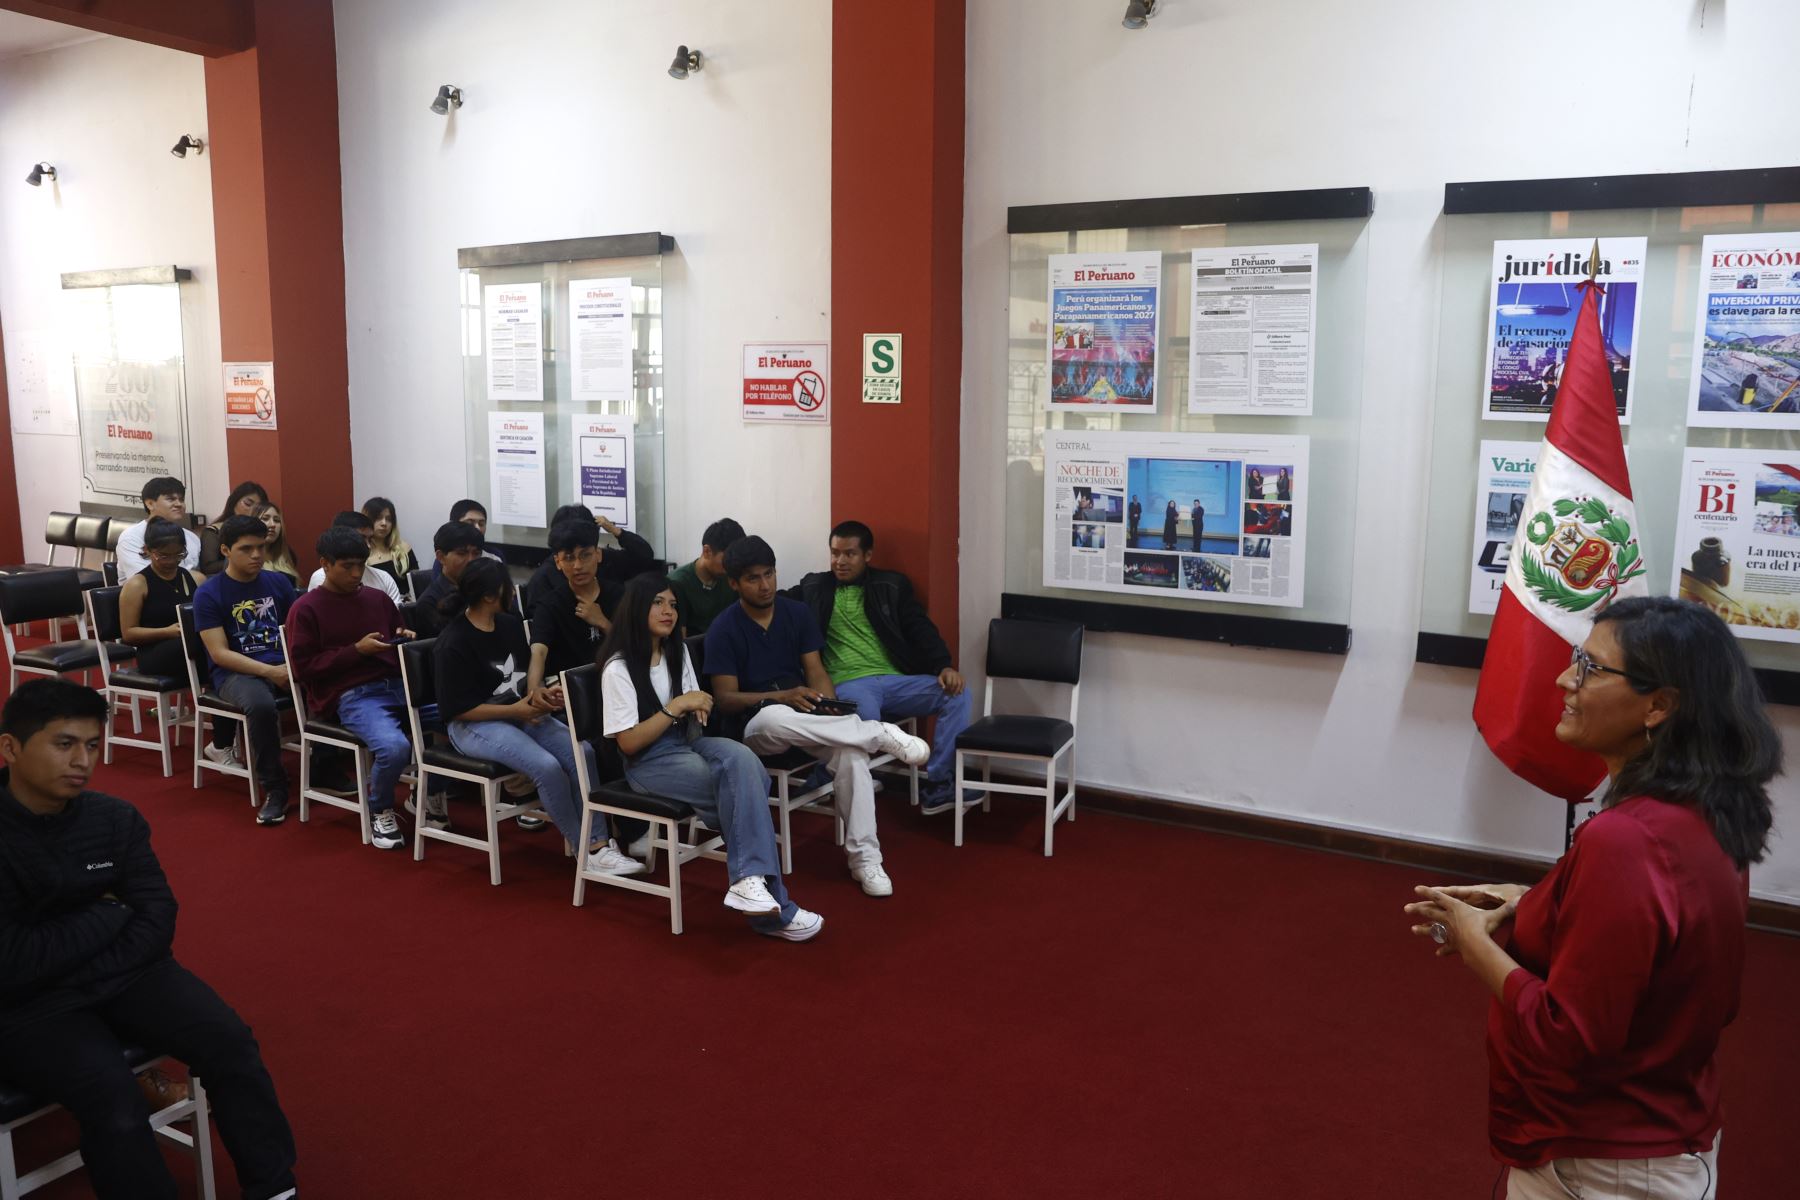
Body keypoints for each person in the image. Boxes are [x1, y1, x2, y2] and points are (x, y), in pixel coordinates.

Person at [1405, 597, 1778, 1200]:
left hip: (1600, 1166)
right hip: (1662, 1137)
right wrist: (1529, 902)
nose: (1563, 678)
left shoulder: (1624, 840)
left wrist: (1476, 945)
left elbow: (1567, 1036)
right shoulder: (1704, 811)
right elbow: (1660, 943)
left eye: (1590, 668)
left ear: (1659, 706)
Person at [0, 679, 299, 1200]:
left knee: (230, 1042)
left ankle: (274, 1187)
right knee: (113, 1098)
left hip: (126, 975)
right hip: (29, 1006)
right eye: (64, 744)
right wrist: (106, 916)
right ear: (10, 748)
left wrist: (79, 951)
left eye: (92, 745)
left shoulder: (115, 820)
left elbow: (157, 916)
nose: (82, 761)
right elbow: (11, 961)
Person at [598, 574, 822, 941]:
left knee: (745, 762)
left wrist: (698, 705)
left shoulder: (677, 650)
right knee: (744, 790)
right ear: (636, 608)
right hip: (648, 762)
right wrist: (678, 706)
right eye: (658, 603)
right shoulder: (619, 667)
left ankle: (749, 883)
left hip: (687, 742)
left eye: (672, 604)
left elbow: (693, 701)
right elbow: (628, 743)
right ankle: (773, 908)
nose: (668, 611)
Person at [705, 536, 927, 897]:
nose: (765, 585)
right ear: (734, 584)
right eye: (753, 579)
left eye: (769, 574)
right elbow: (726, 698)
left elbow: (816, 669)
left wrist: (826, 702)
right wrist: (780, 696)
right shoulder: (724, 628)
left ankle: (866, 860)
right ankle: (875, 733)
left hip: (804, 715)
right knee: (776, 716)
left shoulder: (795, 613)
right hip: (755, 728)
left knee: (851, 756)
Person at [433, 558, 643, 876]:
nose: (515, 593)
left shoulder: (507, 624)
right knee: (545, 766)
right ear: (492, 595)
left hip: (516, 712)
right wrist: (517, 710)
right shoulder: (454, 641)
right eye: (507, 587)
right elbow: (458, 709)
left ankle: (599, 842)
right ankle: (586, 849)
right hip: (473, 724)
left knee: (582, 752)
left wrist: (538, 698)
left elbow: (521, 680)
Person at [789, 520, 974, 818]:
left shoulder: (891, 585)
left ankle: (939, 784)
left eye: (849, 554)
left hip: (894, 680)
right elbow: (774, 603)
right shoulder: (814, 587)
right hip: (849, 683)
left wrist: (943, 665)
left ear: (868, 555)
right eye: (835, 553)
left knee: (958, 694)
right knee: (865, 718)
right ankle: (824, 776)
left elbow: (919, 628)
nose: (840, 561)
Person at [285, 526, 425, 849]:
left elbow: (392, 637)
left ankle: (428, 794)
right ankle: (380, 809)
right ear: (325, 564)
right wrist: (356, 651)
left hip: (394, 685)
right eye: (347, 566)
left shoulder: (377, 600)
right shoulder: (306, 609)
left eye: (361, 565)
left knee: (459, 721)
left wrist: (402, 641)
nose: (356, 573)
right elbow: (302, 669)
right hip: (348, 695)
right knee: (394, 748)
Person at [193, 515, 298, 826]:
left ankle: (323, 765)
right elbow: (219, 653)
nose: (256, 555)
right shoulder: (210, 593)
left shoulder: (278, 582)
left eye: (261, 548)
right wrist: (271, 671)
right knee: (262, 706)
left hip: (282, 663)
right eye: (246, 549)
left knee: (331, 683)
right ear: (225, 550)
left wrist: (290, 667)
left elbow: (296, 632)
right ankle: (275, 787)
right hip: (236, 673)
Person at [527, 518, 612, 692]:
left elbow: (634, 647)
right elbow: (539, 652)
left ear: (598, 554)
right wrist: (534, 689)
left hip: (614, 684)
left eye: (585, 555)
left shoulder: (619, 595)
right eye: (568, 558)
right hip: (569, 692)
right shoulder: (549, 605)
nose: (578, 566)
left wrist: (603, 622)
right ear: (558, 562)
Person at [117, 518, 200, 681]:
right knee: (196, 647)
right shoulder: (137, 585)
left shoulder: (195, 579)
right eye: (163, 556)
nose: (171, 561)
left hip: (187, 643)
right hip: (154, 652)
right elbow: (128, 633)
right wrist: (167, 632)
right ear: (147, 550)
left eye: (178, 555)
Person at [667, 517, 745, 637]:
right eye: (726, 559)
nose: (732, 565)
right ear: (707, 551)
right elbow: (679, 641)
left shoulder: (731, 578)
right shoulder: (678, 583)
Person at [305, 511, 403, 604]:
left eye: (370, 539)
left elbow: (396, 617)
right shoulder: (321, 577)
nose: (368, 545)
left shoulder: (384, 578)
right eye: (362, 538)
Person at [114, 476, 201, 577]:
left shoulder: (192, 537)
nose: (179, 504)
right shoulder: (131, 537)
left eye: (181, 499)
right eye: (170, 499)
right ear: (150, 504)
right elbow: (145, 580)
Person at [413, 521, 486, 638]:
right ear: (441, 557)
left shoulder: (486, 590)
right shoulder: (429, 603)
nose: (471, 560)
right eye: (462, 553)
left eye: (476, 553)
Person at [198, 481, 271, 575]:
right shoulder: (214, 531)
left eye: (258, 508)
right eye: (248, 504)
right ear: (234, 502)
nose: (252, 510)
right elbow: (208, 567)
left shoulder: (263, 530)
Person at [361, 496, 418, 585]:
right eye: (378, 518)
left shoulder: (404, 549)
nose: (384, 523)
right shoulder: (360, 554)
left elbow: (417, 584)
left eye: (389, 519)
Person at [254, 502, 300, 584]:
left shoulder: (288, 554)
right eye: (265, 519)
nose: (272, 525)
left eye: (276, 520)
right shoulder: (244, 556)